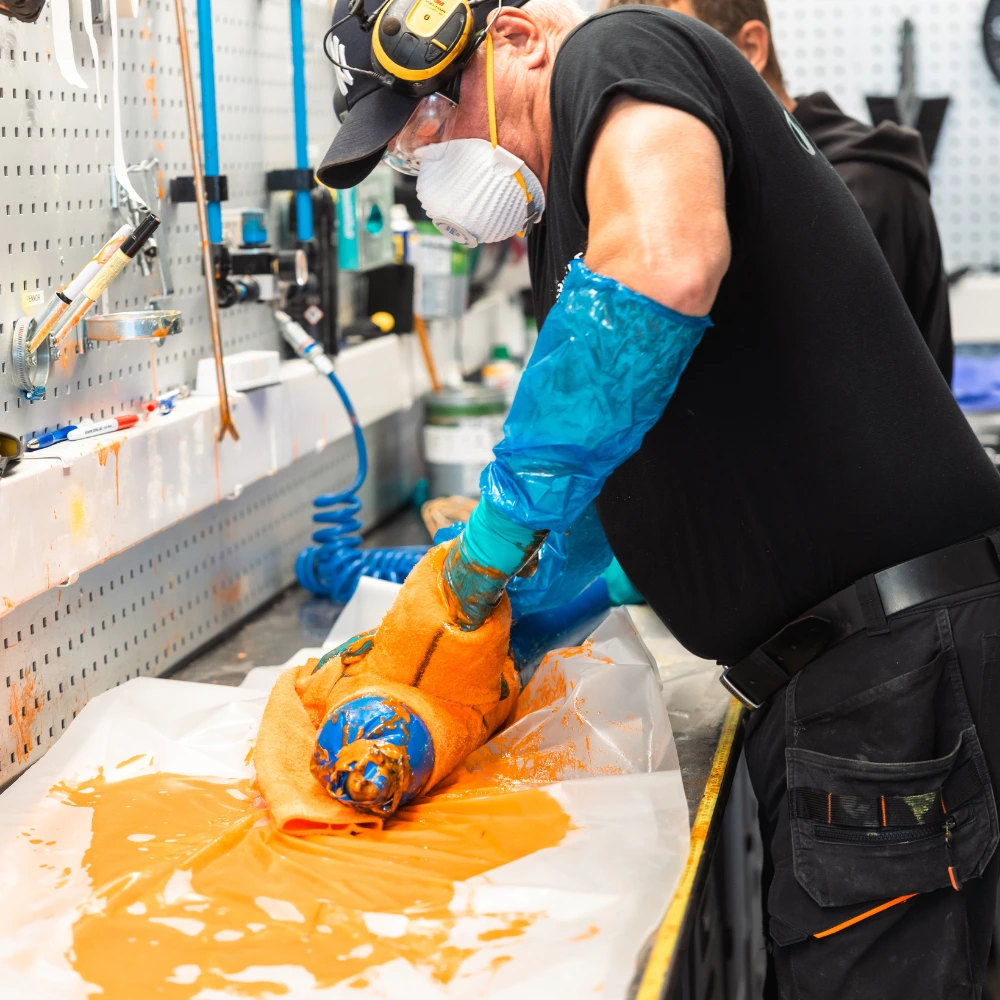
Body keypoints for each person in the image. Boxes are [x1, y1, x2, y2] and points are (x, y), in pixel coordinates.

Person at [316, 0, 1000, 996]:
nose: (428, 161)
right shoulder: (577, 209)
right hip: (857, 681)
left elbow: (665, 266)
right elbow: (638, 448)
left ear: (517, 39)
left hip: (893, 674)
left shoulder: (619, 52)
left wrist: (496, 533)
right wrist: (515, 616)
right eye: (407, 155)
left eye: (429, 117)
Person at [600, 0, 954, 383]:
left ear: (750, 48)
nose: (647, 102)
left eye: (669, 63)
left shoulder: (856, 190)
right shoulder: (730, 182)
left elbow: (844, 393)